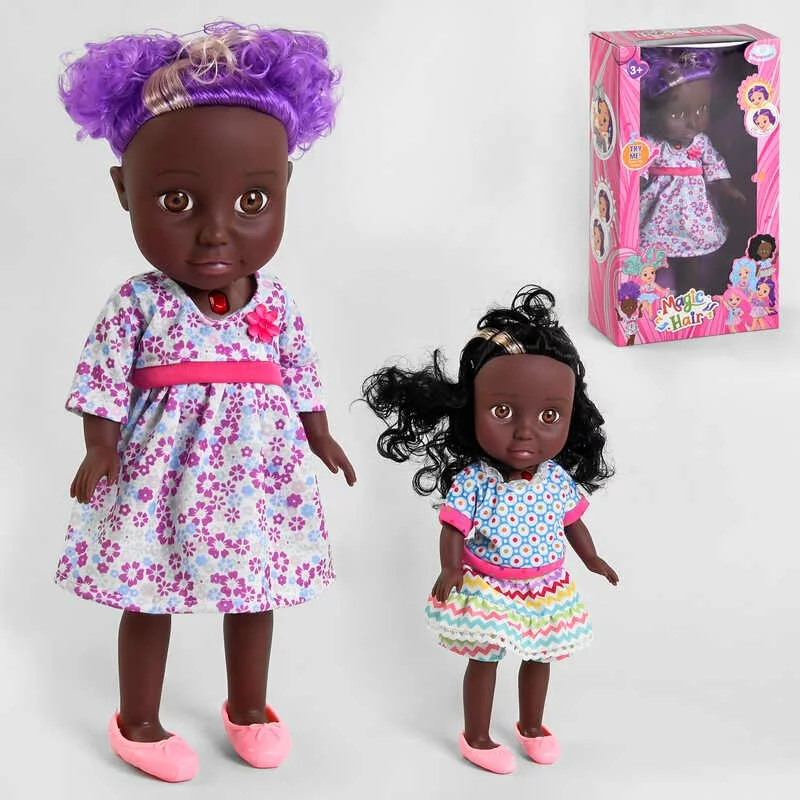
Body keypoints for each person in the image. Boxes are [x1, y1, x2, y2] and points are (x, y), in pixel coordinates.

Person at [54, 21, 356, 782]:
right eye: (177, 200)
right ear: (124, 191)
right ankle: (138, 719)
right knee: (148, 593)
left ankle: (249, 706)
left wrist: (319, 432)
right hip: (159, 476)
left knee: (254, 592)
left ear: (285, 187)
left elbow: (299, 370)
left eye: (253, 199)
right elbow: (102, 377)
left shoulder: (274, 302)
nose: (216, 232)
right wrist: (100, 446)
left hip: (254, 478)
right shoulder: (139, 303)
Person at [362, 286, 618, 774]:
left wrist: (593, 559)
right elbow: (452, 527)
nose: (525, 430)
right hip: (488, 585)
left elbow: (574, 523)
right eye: (503, 411)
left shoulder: (556, 479)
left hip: (545, 587)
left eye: (549, 416)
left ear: (572, 416)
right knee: (485, 656)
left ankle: (531, 725)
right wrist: (450, 567)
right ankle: (476, 735)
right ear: (471, 407)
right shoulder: (475, 480)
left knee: (540, 656)